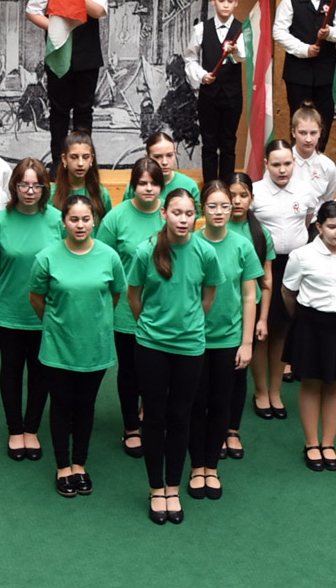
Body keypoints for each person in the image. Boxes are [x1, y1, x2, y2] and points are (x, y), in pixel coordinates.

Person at [127, 187, 220, 524]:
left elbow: (208, 296)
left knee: (181, 417)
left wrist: (189, 325)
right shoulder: (145, 251)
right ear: (163, 213)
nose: (183, 219)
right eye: (177, 213)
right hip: (151, 346)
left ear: (197, 216)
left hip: (190, 348)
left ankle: (172, 489)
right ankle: (155, 489)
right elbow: (134, 296)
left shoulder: (206, 252)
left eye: (189, 214)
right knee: (154, 417)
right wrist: (153, 327)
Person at [30, 194, 126, 496]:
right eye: (74, 219)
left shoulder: (109, 256)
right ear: (64, 222)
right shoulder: (46, 257)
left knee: (85, 405)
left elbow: (115, 295)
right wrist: (58, 324)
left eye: (86, 219)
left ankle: (80, 464)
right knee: (61, 404)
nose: (80, 225)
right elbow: (36, 298)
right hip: (58, 346)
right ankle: (63, 466)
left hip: (95, 347)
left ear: (94, 220)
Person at [0, 158, 64, 461]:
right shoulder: (0, 222)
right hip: (9, 311)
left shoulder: (57, 220)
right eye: (24, 185)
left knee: (41, 372)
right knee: (12, 369)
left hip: (46, 312)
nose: (29, 191)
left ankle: (31, 429)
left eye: (36, 185)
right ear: (14, 186)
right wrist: (12, 275)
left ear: (45, 188)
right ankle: (15, 429)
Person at [187, 181, 261, 500]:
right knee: (196, 404)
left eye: (225, 206)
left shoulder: (242, 246)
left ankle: (211, 467)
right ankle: (195, 467)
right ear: (202, 209)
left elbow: (249, 296)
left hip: (229, 340)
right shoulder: (189, 243)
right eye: (213, 206)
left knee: (220, 404)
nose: (219, 212)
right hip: (193, 340)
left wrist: (246, 343)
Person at [281, 199, 336, 473]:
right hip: (311, 325)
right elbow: (288, 291)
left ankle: (328, 443)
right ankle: (311, 443)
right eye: (332, 227)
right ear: (319, 227)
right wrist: (301, 319)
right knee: (311, 384)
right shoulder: (301, 256)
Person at [97, 157, 168, 457]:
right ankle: (130, 428)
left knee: (157, 371)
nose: (148, 189)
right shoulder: (116, 217)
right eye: (142, 183)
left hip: (163, 310)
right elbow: (101, 260)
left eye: (154, 183)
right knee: (130, 371)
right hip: (126, 309)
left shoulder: (169, 214)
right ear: (133, 186)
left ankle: (149, 417)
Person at [25, 0, 110, 164]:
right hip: (58, 53)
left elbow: (98, 11)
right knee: (59, 111)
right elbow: (32, 11)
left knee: (84, 111)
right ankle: (58, 163)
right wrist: (53, 28)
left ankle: (83, 162)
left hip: (87, 56)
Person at [249, 140, 310, 420]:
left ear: (294, 162)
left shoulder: (305, 189)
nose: (282, 169)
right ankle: (261, 391)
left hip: (295, 266)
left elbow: (307, 222)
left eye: (287, 163)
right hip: (265, 266)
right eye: (276, 164)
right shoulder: (256, 192)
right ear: (266, 164)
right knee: (262, 331)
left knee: (283, 330)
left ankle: (275, 392)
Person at [272, 0, 336, 145]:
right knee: (298, 121)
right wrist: (303, 49)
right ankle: (296, 159)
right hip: (297, 72)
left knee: (324, 121)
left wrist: (329, 32)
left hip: (327, 72)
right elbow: (278, 32)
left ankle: (319, 157)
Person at [223, 174, 273, 459]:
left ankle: (232, 430)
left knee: (238, 374)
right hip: (217, 315)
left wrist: (262, 319)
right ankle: (214, 429)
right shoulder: (214, 228)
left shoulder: (260, 234)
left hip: (247, 314)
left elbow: (266, 281)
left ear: (252, 198)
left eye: (243, 195)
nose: (237, 201)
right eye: (231, 195)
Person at [184, 0, 246, 185]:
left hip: (232, 96)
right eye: (221, 0)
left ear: (236, 3)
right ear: (213, 1)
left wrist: (235, 52)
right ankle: (210, 188)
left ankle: (227, 188)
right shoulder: (201, 29)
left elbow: (244, 57)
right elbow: (190, 59)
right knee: (209, 144)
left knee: (228, 143)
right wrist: (202, 75)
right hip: (208, 95)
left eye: (230, 0)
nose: (226, 5)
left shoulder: (242, 30)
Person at [116, 130, 199, 204]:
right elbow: (126, 213)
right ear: (147, 157)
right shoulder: (135, 187)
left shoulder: (190, 186)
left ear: (175, 154)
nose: (165, 162)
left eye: (169, 155)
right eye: (158, 157)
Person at [49, 131, 112, 220]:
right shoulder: (51, 194)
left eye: (86, 157)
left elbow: (108, 226)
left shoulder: (102, 194)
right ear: (64, 159)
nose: (80, 163)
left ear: (91, 159)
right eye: (74, 157)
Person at [289, 107, 336, 206]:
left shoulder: (328, 166)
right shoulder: (280, 162)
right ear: (293, 132)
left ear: (320, 132)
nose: (308, 139)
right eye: (302, 133)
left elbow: (327, 202)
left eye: (313, 133)